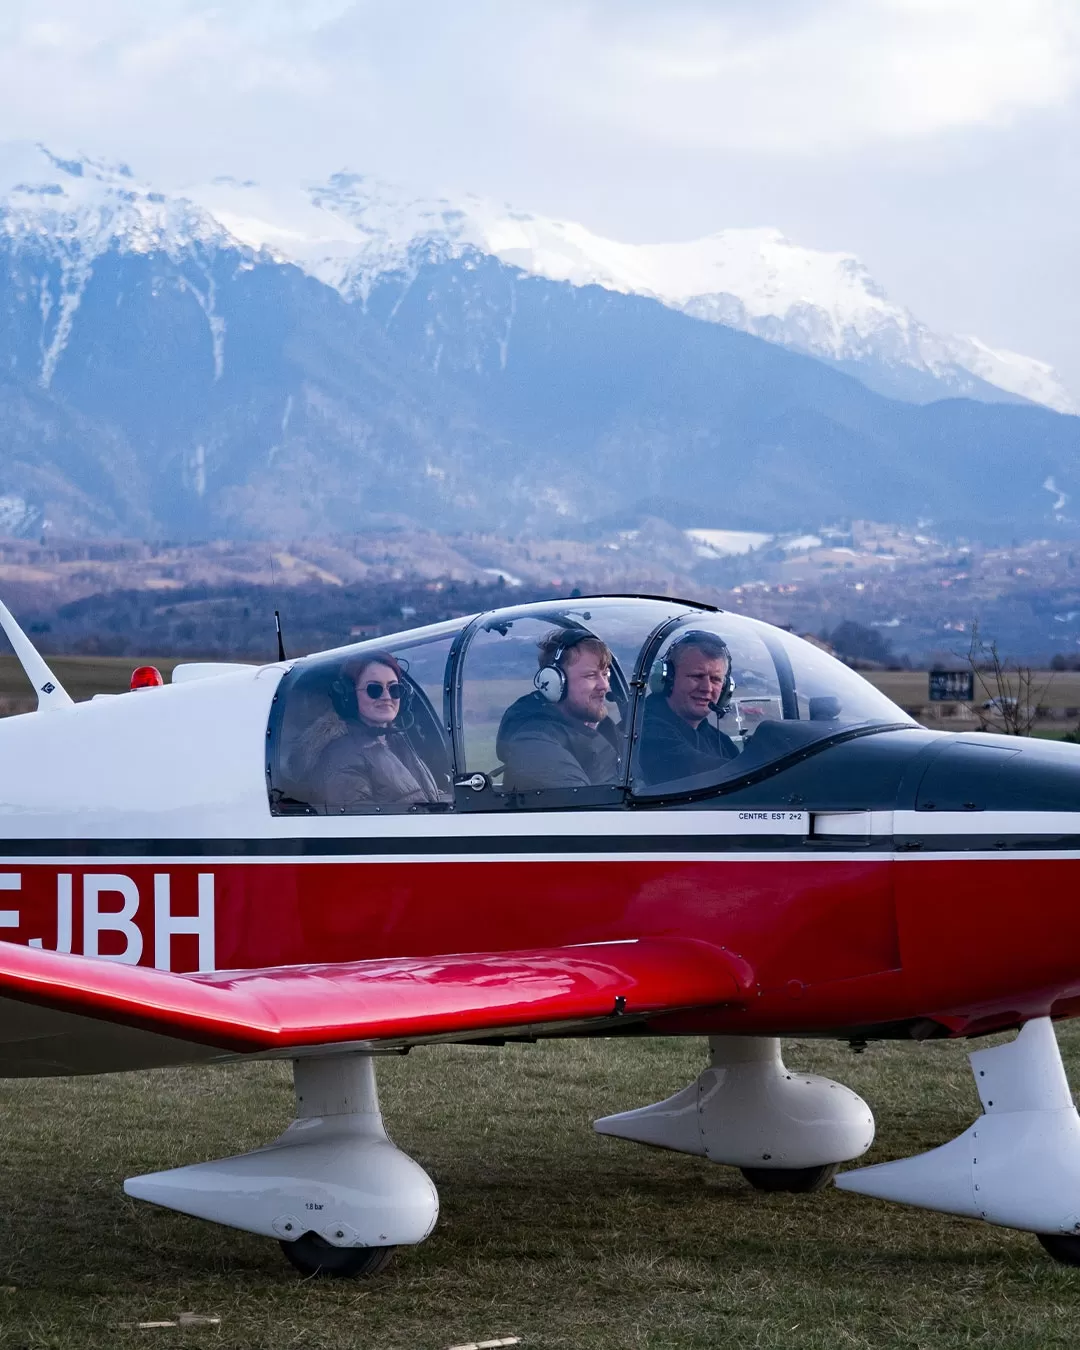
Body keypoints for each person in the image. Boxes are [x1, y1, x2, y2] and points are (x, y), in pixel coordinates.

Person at [311, 652, 446, 811]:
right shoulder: (341, 755)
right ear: (349, 695)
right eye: (374, 689)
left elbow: (425, 798)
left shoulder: (396, 741)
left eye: (394, 689)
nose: (386, 696)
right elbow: (358, 820)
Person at [496, 631, 622, 792]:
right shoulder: (535, 745)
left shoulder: (600, 728)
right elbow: (585, 802)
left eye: (605, 674)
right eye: (591, 675)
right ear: (554, 682)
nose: (604, 685)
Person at [638, 631, 740, 785]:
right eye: (696, 676)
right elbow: (693, 769)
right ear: (668, 678)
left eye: (715, 679)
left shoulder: (721, 742)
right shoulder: (643, 731)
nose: (707, 688)